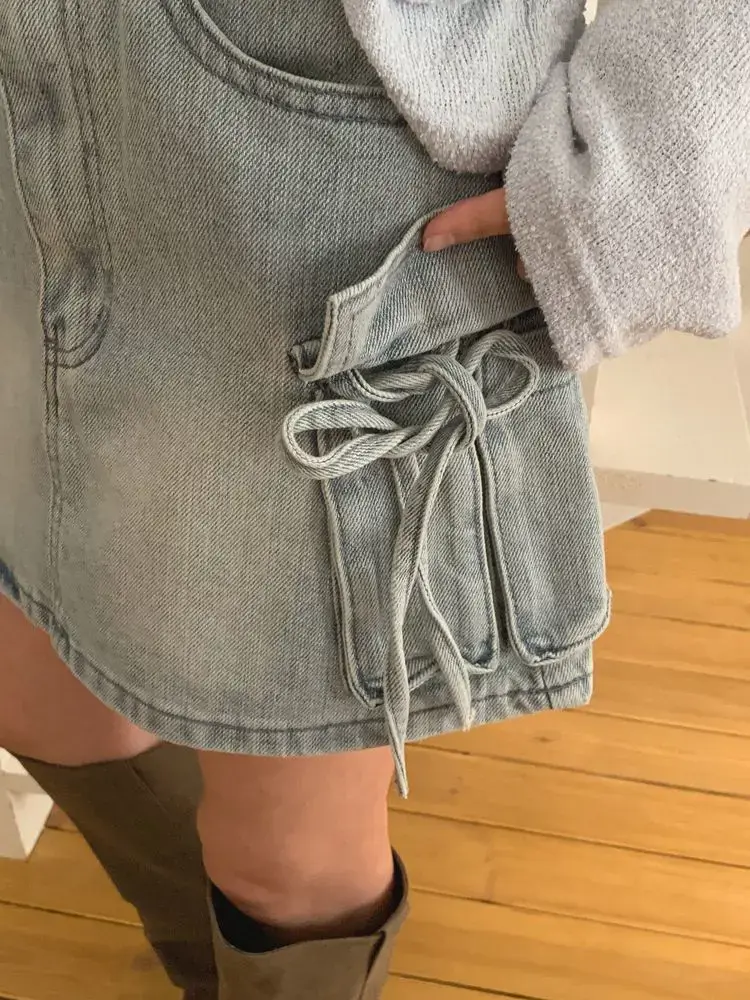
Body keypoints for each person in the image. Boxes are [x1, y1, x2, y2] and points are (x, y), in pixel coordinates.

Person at [0, 1, 747, 998]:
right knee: (43, 690)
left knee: (286, 852)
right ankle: (207, 965)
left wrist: (652, 164)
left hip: (305, 120)